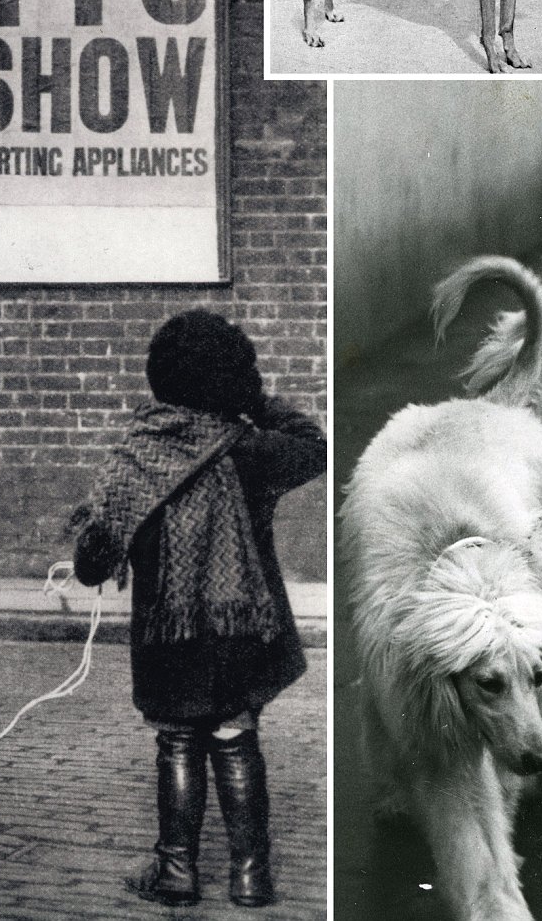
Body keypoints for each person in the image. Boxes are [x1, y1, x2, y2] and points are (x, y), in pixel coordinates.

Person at [69, 310, 325, 908]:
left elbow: (91, 563)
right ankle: (250, 876)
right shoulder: (252, 451)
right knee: (237, 736)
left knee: (179, 741)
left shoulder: (135, 457)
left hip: (170, 637)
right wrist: (255, 401)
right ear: (233, 378)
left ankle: (176, 872)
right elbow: (314, 445)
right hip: (244, 631)